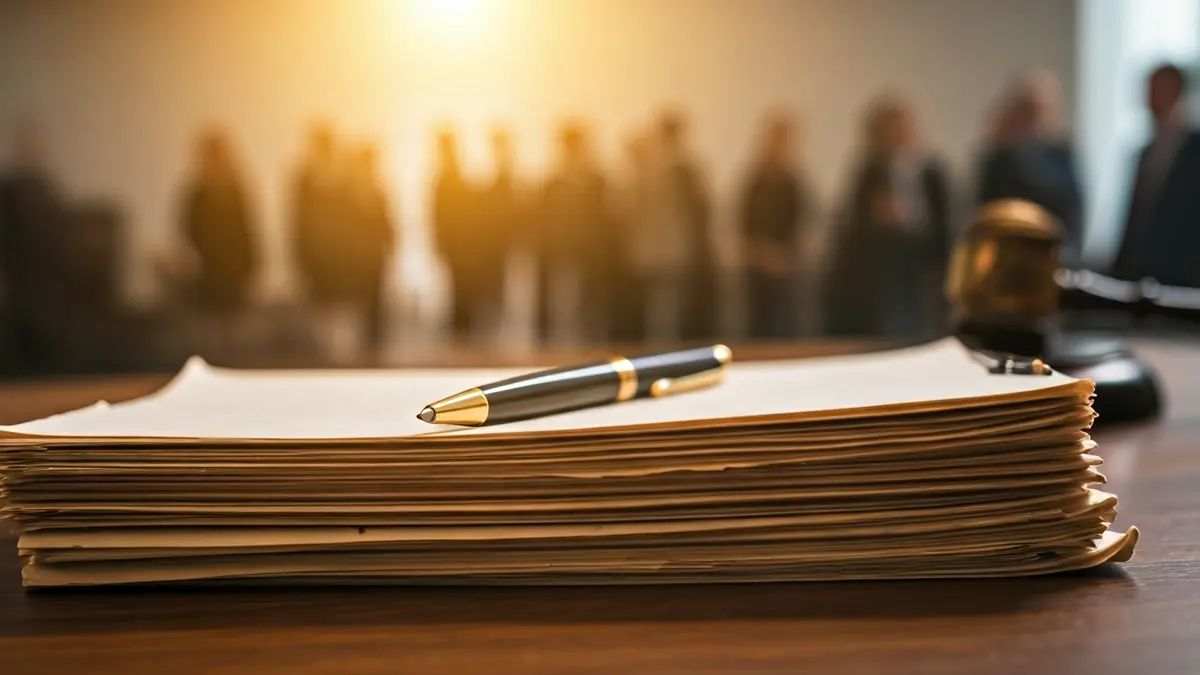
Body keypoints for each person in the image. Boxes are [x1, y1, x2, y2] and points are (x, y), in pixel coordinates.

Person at [826, 95, 951, 338]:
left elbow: (944, 223)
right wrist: (878, 218)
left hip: (920, 265)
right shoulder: (869, 172)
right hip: (881, 270)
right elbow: (851, 225)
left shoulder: (932, 172)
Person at [977, 70, 1084, 264]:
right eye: (1027, 110)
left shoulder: (1061, 153)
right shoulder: (1000, 157)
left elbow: (1071, 206)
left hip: (1051, 253)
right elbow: (987, 208)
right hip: (1008, 254)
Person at [1111, 63, 1200, 286]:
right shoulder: (1143, 153)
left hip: (1182, 278)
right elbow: (1134, 220)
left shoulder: (1195, 149)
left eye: (1157, 89)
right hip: (1139, 274)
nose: (1149, 99)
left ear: (1176, 92)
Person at [0, 122, 70, 373]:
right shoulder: (14, 190)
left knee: (44, 347)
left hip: (43, 282)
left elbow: (61, 234)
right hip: (22, 280)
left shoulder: (46, 188)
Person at [739, 112, 815, 340]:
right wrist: (764, 255)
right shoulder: (755, 181)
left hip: (790, 268)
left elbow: (804, 223)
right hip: (759, 268)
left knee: (790, 328)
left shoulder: (795, 182)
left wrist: (789, 257)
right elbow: (745, 226)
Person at [642, 110, 715, 342]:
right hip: (656, 256)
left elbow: (701, 213)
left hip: (679, 254)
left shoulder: (687, 171)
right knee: (658, 317)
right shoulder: (652, 170)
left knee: (679, 315)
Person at [538, 122, 610, 344]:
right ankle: (561, 343)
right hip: (559, 252)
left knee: (587, 304)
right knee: (561, 302)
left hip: (588, 254)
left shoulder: (596, 182)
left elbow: (604, 219)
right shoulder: (553, 183)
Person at [180, 128, 259, 313]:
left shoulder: (236, 191)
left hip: (236, 274)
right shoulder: (198, 193)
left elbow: (247, 231)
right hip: (208, 273)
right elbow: (190, 230)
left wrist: (248, 266)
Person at [343, 142, 396, 352]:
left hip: (374, 256)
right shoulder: (351, 191)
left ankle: (376, 342)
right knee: (360, 301)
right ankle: (363, 343)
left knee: (376, 301)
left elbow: (386, 221)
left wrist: (389, 244)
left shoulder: (376, 189)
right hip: (358, 258)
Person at [430, 127, 480, 341]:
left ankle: (462, 332)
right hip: (455, 247)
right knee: (457, 288)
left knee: (463, 289)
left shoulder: (455, 179)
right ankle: (460, 332)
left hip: (463, 248)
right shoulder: (446, 179)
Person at [290, 123, 348, 306]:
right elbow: (299, 223)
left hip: (340, 261)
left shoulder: (344, 180)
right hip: (314, 258)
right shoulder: (304, 180)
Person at [476, 127, 522, 338]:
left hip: (508, 244)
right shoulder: (492, 185)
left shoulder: (512, 184)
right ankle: (491, 331)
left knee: (505, 289)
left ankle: (502, 331)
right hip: (490, 246)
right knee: (492, 290)